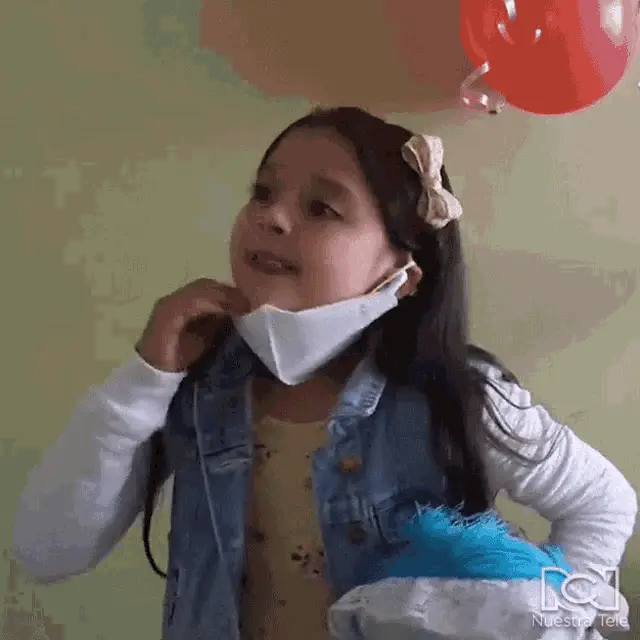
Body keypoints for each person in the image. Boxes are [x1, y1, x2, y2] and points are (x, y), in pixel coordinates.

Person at [13, 107, 637, 640]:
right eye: (262, 193)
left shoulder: (458, 397)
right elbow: (49, 549)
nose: (273, 217)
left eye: (322, 208)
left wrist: (550, 618)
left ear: (403, 274)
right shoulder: (195, 386)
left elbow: (603, 504)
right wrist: (147, 377)